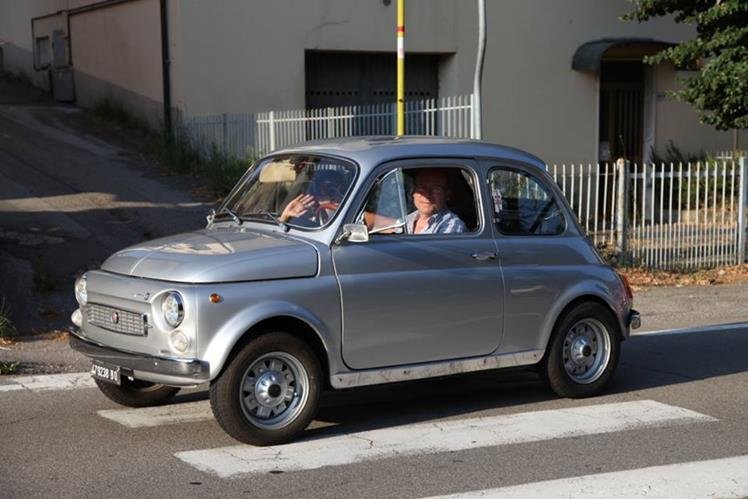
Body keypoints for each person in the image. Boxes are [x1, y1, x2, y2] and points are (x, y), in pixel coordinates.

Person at [407, 168, 466, 234]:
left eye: (436, 189)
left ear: (447, 195)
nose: (427, 195)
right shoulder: (407, 219)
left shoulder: (453, 224)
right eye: (421, 188)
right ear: (413, 192)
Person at [279, 170, 345, 226]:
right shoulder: (305, 214)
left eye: (332, 189)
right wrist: (285, 216)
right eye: (321, 188)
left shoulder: (346, 208)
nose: (325, 192)